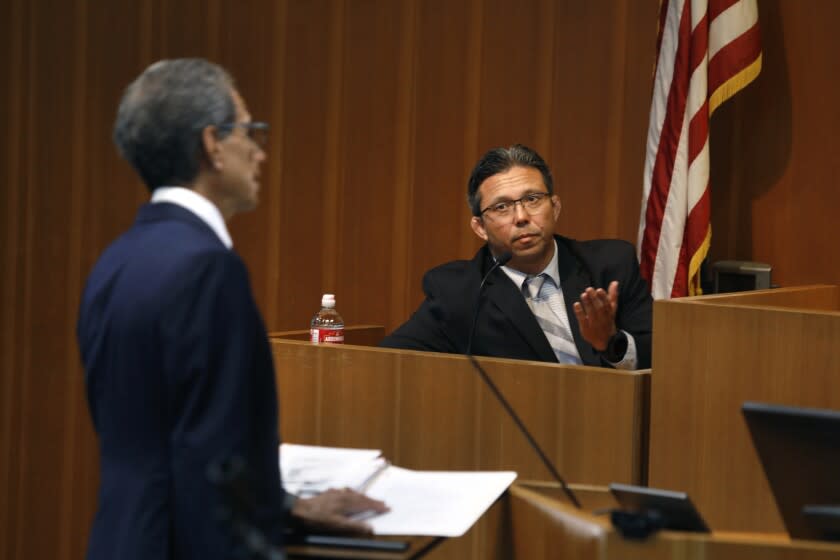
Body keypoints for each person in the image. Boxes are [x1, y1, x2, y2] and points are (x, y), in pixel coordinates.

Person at [77, 59, 386, 560]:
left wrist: (286, 506)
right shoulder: (206, 268)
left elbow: (165, 443)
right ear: (211, 144)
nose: (260, 151)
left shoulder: (116, 261)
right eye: (249, 131)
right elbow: (215, 465)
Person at [380, 144, 653, 369]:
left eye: (533, 199)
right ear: (479, 227)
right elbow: (390, 360)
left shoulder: (610, 265)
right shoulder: (458, 292)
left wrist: (611, 343)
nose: (521, 217)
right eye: (502, 207)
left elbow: (661, 356)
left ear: (555, 207)